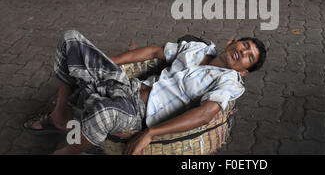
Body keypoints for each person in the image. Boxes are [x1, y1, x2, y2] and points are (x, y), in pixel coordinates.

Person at [23, 30, 266, 155]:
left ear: (244, 71)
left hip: (139, 112)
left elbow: (205, 115)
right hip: (128, 86)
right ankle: (60, 115)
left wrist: (150, 133)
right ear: (232, 41)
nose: (243, 53)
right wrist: (106, 63)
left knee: (103, 113)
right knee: (70, 40)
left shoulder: (229, 83)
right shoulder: (197, 48)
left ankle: (69, 152)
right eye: (244, 46)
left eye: (249, 58)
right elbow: (153, 53)